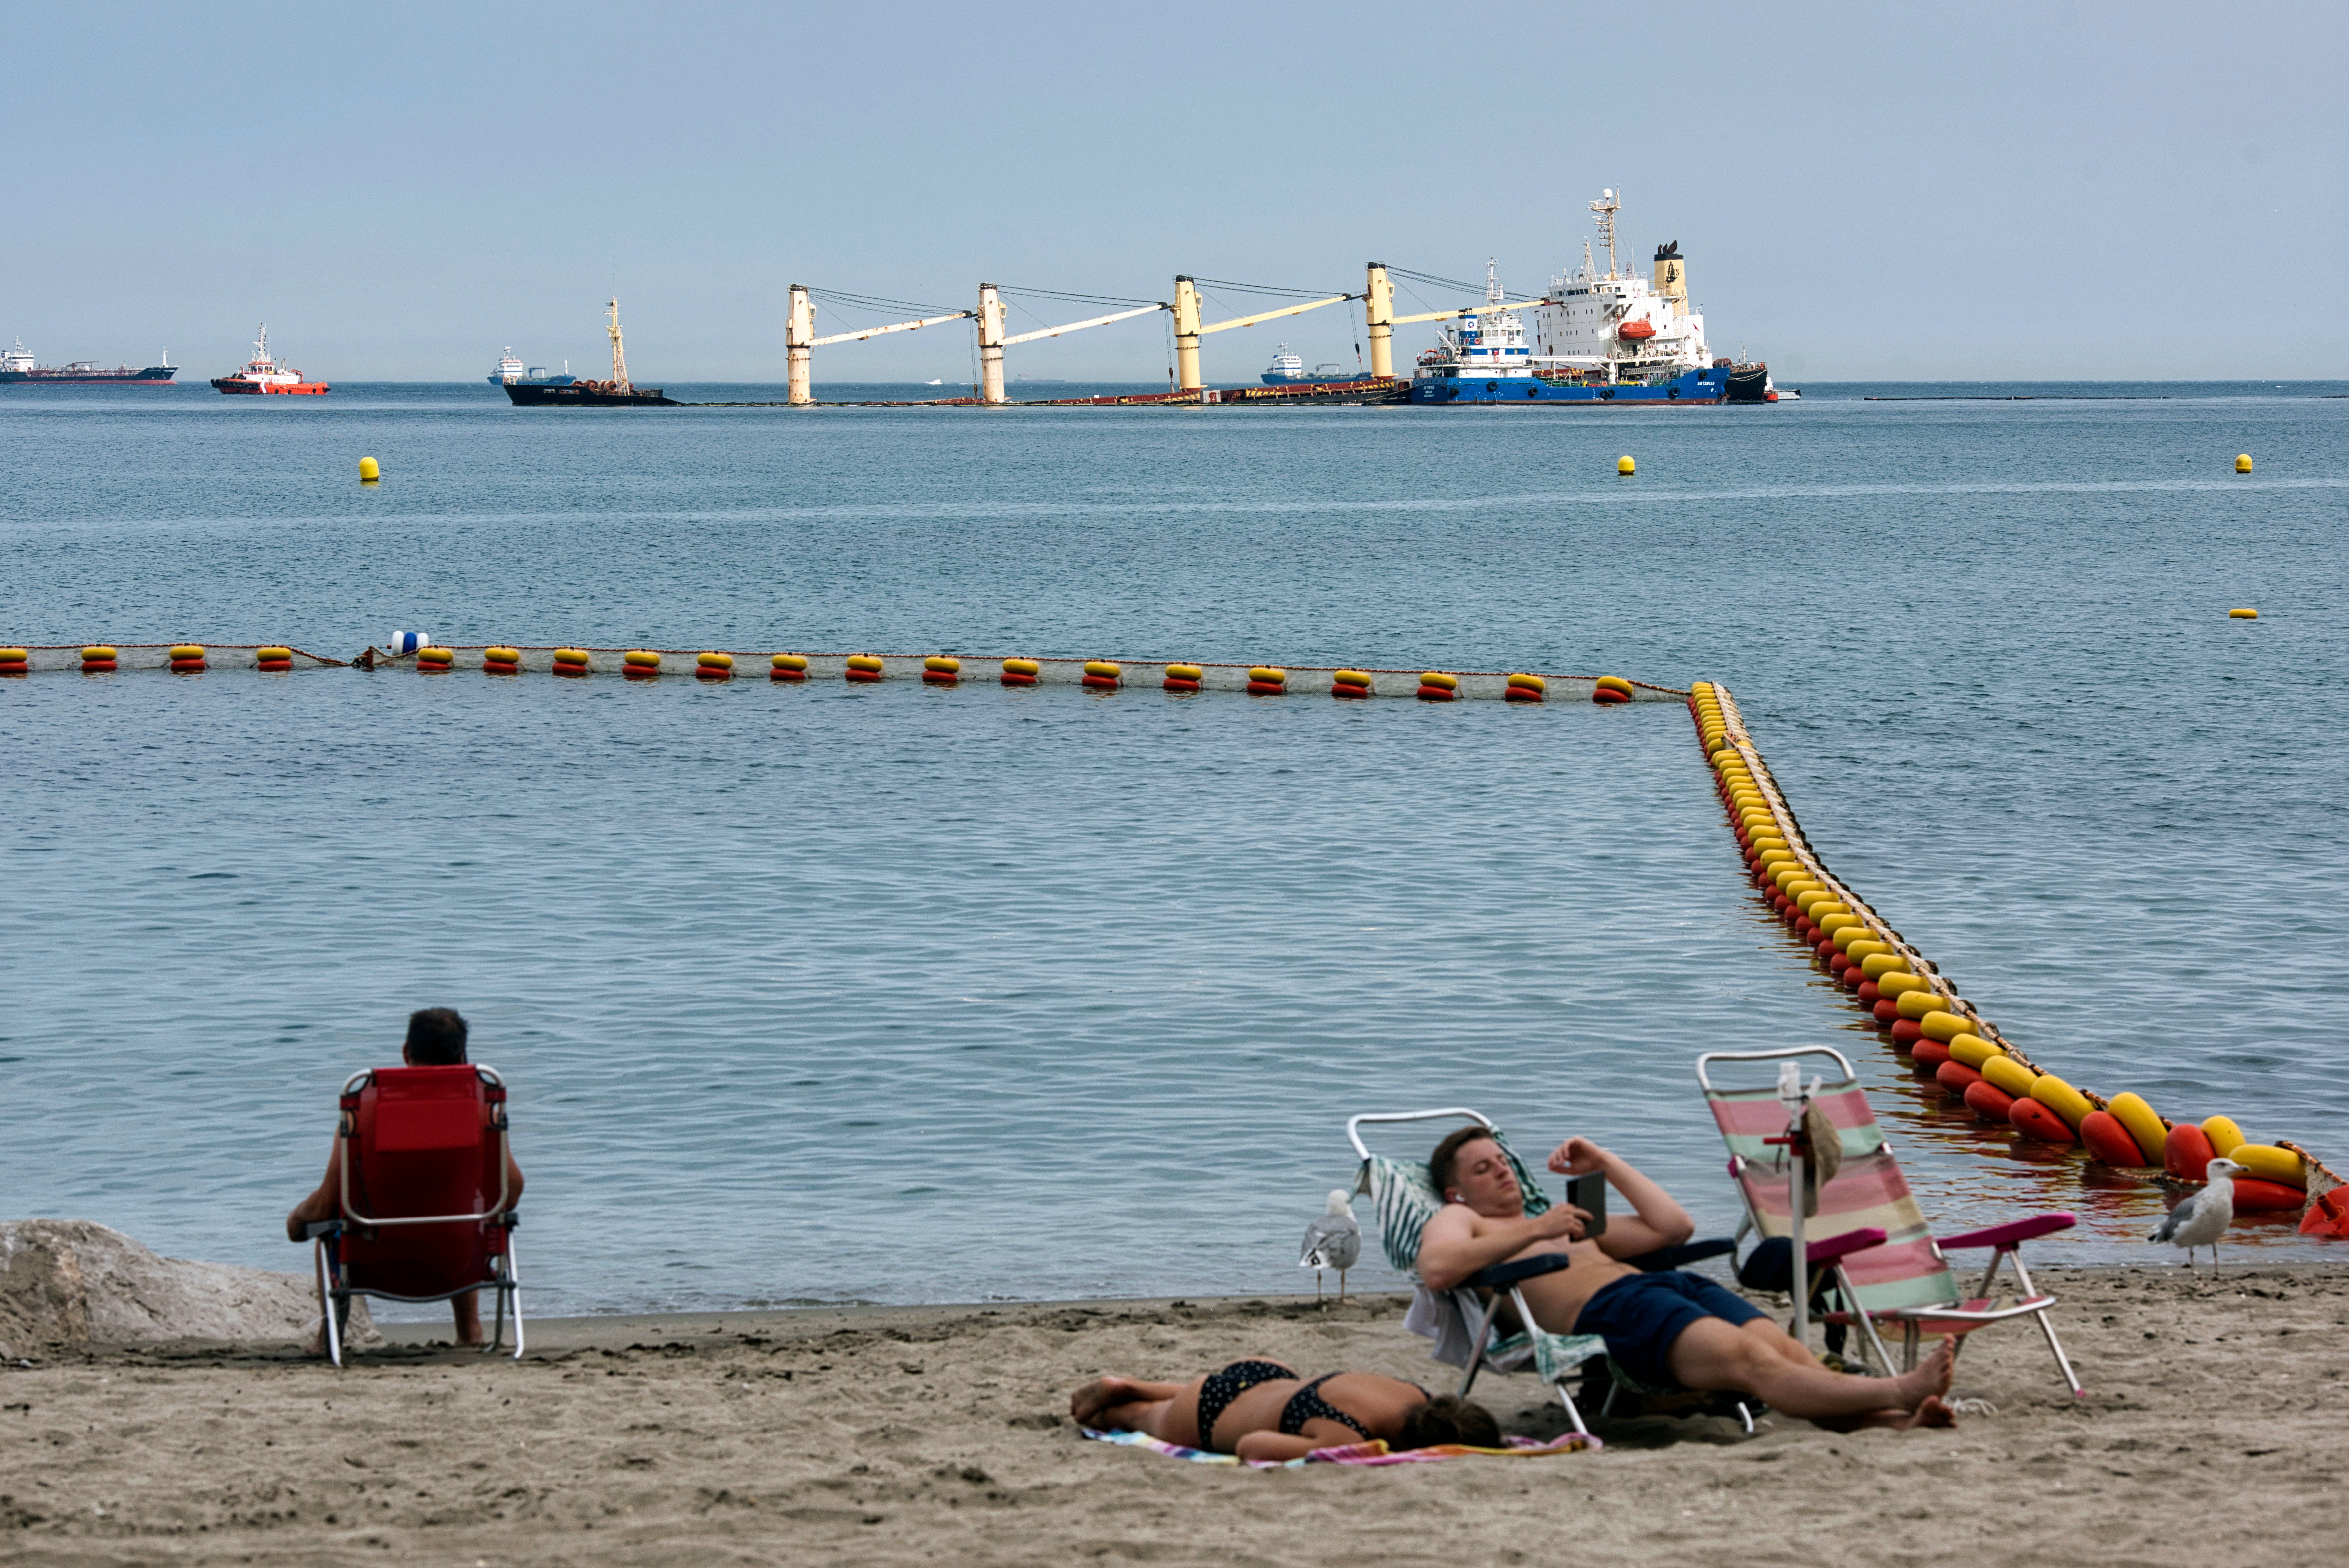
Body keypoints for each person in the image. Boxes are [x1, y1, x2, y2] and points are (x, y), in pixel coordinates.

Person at [1415, 1127, 1954, 1431]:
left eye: (1501, 1159)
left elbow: (1672, 1226)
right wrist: (1538, 1228)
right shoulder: (1463, 1221)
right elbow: (1437, 1268)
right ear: (1457, 1192)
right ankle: (1900, 1390)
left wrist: (1603, 1159)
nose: (1502, 1169)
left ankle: (1889, 1417)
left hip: (1670, 1287)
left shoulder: (1560, 1215)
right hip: (1615, 1313)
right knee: (1752, 1362)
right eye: (1482, 1168)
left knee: (1785, 1351)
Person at [284, 1007, 524, 1347]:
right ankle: (470, 1333)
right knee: (470, 1212)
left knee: (331, 1230)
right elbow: (509, 1194)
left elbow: (326, 1204)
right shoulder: (482, 1112)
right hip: (456, 1264)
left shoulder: (361, 1114)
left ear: (406, 1052)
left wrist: (297, 1219)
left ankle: (329, 1340)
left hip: (375, 1265)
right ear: (462, 1056)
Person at [1071, 1362, 1499, 1461]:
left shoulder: (1413, 1392)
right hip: (1205, 1416)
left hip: (1262, 1372)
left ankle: (1129, 1385)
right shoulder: (1347, 1438)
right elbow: (1248, 1445)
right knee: (1124, 1418)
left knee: (1232, 1395)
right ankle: (1120, 1401)